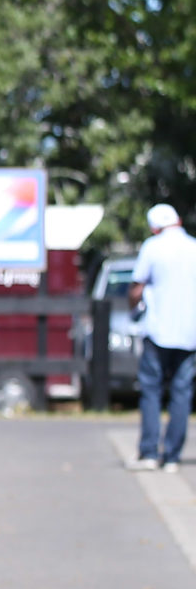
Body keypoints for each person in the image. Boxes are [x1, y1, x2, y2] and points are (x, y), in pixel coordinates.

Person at [129, 202, 196, 472]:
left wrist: (132, 308)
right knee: (182, 393)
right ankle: (172, 456)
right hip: (190, 333)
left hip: (158, 331)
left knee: (151, 391)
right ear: (178, 221)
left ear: (154, 227)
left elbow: (136, 289)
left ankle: (148, 452)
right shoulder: (194, 247)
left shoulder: (152, 247)